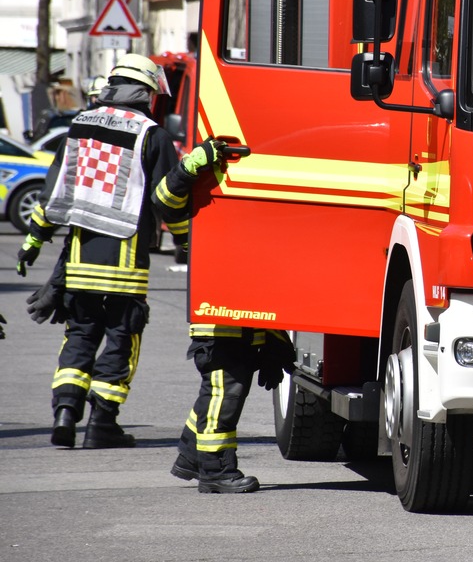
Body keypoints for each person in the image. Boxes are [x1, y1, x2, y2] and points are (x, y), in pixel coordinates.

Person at [16, 53, 184, 449]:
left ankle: (65, 414)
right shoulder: (151, 134)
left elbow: (55, 191)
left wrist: (34, 241)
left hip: (78, 258)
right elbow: (168, 198)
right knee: (122, 338)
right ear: (144, 92)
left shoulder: (79, 125)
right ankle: (102, 423)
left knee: (80, 335)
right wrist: (186, 240)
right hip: (125, 263)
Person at [157, 138, 297, 494]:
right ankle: (216, 470)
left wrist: (276, 340)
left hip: (248, 323)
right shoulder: (199, 220)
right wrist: (190, 166)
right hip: (219, 321)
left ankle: (191, 454)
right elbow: (163, 201)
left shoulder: (254, 226)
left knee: (221, 390)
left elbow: (266, 281)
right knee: (225, 393)